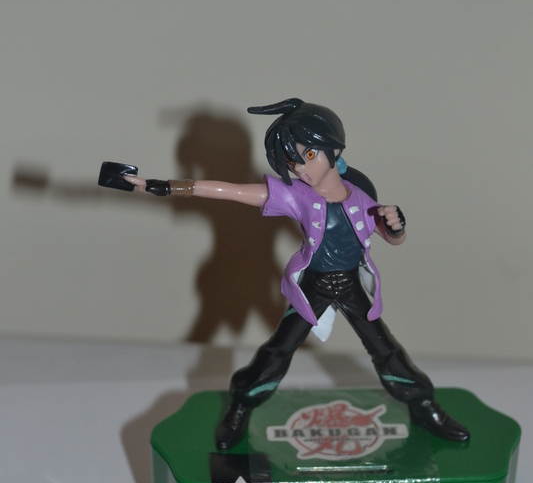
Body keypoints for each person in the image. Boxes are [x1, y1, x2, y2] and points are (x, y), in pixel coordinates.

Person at [123, 97, 470, 449]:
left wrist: (396, 226)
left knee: (386, 349)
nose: (301, 168)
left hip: (350, 284)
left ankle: (424, 405)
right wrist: (166, 186)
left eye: (309, 155)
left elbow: (392, 238)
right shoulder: (297, 196)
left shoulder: (362, 198)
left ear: (335, 150)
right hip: (313, 287)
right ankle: (242, 404)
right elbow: (233, 191)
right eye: (293, 160)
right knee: (279, 349)